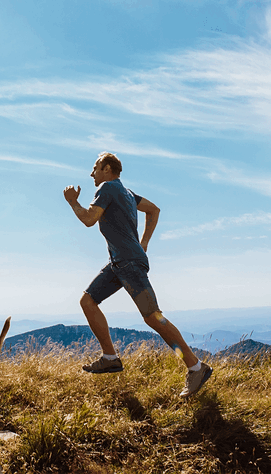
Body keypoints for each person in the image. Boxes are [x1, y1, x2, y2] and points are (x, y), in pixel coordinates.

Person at [63, 152, 212, 398]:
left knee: (153, 317)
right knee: (87, 301)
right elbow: (153, 210)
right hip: (120, 264)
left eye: (95, 168)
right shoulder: (128, 193)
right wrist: (143, 243)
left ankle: (196, 367)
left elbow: (89, 219)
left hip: (129, 264)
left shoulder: (107, 188)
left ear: (108, 169)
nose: (92, 173)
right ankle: (110, 357)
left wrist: (72, 201)